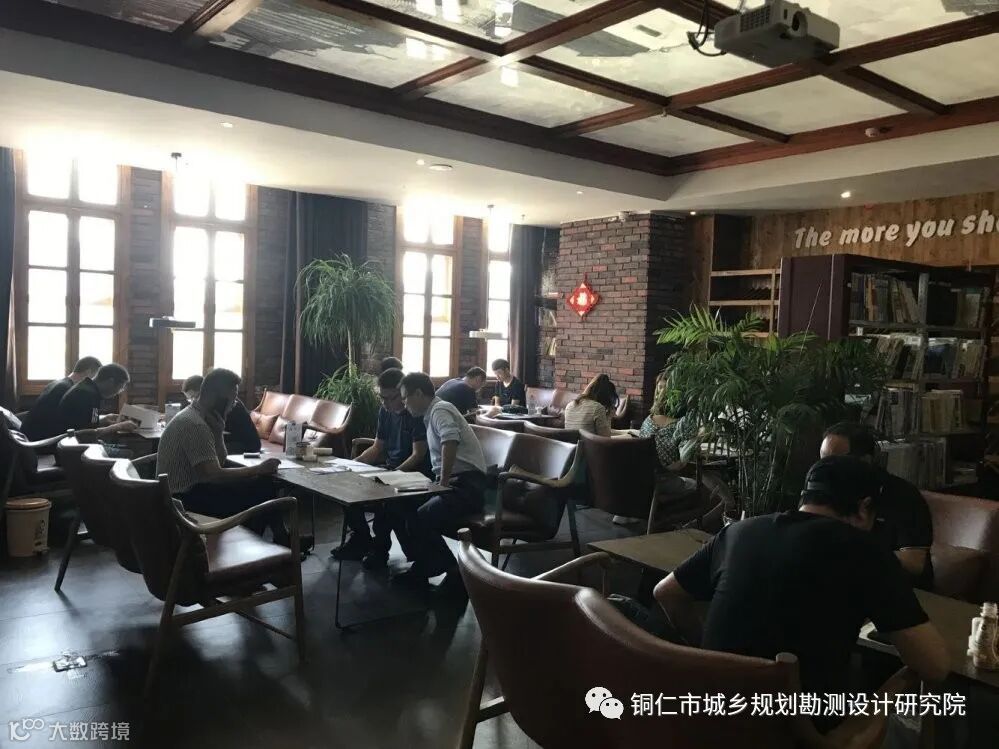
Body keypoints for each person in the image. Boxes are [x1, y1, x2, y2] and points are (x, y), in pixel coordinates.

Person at [654, 456, 949, 732]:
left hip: (708, 720)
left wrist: (705, 653)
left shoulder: (740, 531)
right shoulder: (866, 551)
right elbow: (935, 666)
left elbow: (666, 592)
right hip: (798, 734)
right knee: (904, 718)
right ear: (864, 508)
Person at [156, 368, 287, 540]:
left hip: (187, 492)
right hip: (183, 500)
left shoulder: (196, 416)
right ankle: (254, 543)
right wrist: (257, 469)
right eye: (232, 399)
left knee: (261, 485)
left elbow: (219, 462)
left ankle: (273, 539)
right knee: (263, 488)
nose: (234, 405)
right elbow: (213, 475)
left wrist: (218, 433)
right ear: (216, 398)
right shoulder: (195, 425)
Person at [393, 372, 487, 594]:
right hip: (457, 483)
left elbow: (449, 440)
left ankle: (451, 569)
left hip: (467, 486)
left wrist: (443, 482)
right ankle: (424, 565)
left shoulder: (440, 409)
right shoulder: (432, 412)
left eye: (406, 398)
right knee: (402, 504)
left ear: (418, 393)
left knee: (422, 515)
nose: (404, 404)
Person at [331, 367, 432, 569]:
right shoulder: (385, 412)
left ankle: (380, 550)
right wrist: (351, 465)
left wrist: (393, 475)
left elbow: (418, 455)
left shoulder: (415, 412)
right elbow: (377, 447)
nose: (385, 403)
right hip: (390, 469)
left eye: (390, 398)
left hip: (413, 473)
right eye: (381, 398)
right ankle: (361, 538)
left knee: (387, 503)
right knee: (345, 488)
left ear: (402, 393)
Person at [820, 421, 933, 587]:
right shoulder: (827, 491)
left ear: (865, 461)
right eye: (822, 461)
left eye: (835, 462)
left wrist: (858, 551)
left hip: (900, 588)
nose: (825, 470)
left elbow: (915, 562)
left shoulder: (902, 495)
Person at [21, 356, 101, 440]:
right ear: (88, 373)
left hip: (29, 435)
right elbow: (77, 425)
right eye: (96, 377)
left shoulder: (58, 383)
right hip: (42, 440)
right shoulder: (71, 391)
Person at [182, 374, 260, 454]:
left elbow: (217, 432)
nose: (193, 403)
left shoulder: (225, 403)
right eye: (190, 399)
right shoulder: (209, 404)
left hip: (246, 445)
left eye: (194, 397)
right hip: (230, 441)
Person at [57, 363, 137, 440]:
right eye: (120, 387)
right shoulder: (86, 394)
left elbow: (86, 423)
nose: (119, 392)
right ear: (110, 382)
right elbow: (86, 434)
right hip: (67, 443)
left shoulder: (88, 388)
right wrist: (119, 427)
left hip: (70, 439)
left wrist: (105, 420)